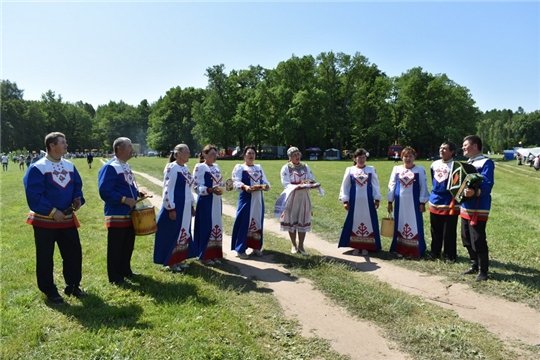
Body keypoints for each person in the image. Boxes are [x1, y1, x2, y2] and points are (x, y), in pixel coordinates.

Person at [23, 132, 86, 303]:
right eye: (62, 142)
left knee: (73, 253)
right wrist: (51, 211)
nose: (66, 145)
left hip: (66, 220)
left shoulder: (70, 166)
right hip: (45, 222)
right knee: (45, 257)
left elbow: (77, 186)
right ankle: (49, 290)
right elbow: (34, 195)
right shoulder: (38, 168)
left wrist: (77, 198)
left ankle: (73, 285)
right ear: (52, 145)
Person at [98, 137, 144, 285]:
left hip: (129, 213)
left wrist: (137, 193)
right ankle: (115, 277)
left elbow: (126, 185)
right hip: (117, 213)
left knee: (127, 244)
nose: (133, 149)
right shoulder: (111, 167)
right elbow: (105, 191)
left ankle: (125, 271)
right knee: (116, 247)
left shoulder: (125, 165)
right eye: (130, 146)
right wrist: (124, 200)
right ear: (119, 149)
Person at [153, 144, 196, 272]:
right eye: (187, 152)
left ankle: (180, 258)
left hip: (186, 206)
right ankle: (171, 262)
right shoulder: (172, 168)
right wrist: (170, 207)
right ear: (178, 154)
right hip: (176, 205)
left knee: (184, 231)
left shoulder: (185, 168)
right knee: (173, 233)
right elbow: (168, 188)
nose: (189, 154)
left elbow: (188, 188)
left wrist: (191, 205)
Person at [460, 135, 495, 281]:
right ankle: (474, 264)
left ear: (475, 146)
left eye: (465, 145)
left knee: (478, 238)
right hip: (465, 206)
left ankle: (483, 270)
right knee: (466, 237)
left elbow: (487, 184)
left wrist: (475, 191)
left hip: (478, 207)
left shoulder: (486, 162)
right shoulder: (467, 163)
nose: (463, 147)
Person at [387, 146, 429, 258]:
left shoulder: (419, 169)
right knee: (400, 223)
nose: (408, 158)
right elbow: (392, 184)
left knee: (415, 224)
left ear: (414, 157)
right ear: (401, 157)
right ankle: (400, 248)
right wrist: (390, 201)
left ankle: (415, 249)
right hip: (400, 203)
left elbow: (423, 186)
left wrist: (422, 202)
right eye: (405, 156)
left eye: (410, 156)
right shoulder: (396, 169)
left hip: (414, 203)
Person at [338, 148, 382, 255]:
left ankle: (366, 246)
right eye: (359, 157)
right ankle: (356, 245)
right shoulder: (350, 170)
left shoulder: (371, 169)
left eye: (363, 157)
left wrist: (377, 198)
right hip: (354, 201)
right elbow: (345, 185)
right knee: (354, 221)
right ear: (355, 158)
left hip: (367, 201)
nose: (361, 160)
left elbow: (375, 185)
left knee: (368, 221)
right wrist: (345, 200)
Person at [279, 146, 321, 256]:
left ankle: (301, 245)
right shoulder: (286, 168)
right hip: (292, 197)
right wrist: (299, 185)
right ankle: (293, 244)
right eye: (294, 155)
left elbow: (311, 178)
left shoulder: (305, 166)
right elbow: (286, 183)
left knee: (303, 219)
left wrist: (312, 183)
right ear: (290, 157)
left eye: (298, 154)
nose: (297, 156)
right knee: (292, 219)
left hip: (304, 197)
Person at [231, 145, 271, 259]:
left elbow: (264, 180)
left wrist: (266, 185)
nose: (251, 155)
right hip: (246, 198)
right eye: (249, 153)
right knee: (244, 222)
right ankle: (240, 248)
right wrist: (245, 187)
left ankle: (256, 246)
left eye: (253, 153)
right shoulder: (239, 167)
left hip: (258, 198)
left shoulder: (258, 167)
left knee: (257, 221)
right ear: (244, 155)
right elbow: (236, 182)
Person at [428, 142, 460, 263]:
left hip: (449, 201)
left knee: (449, 231)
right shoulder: (434, 164)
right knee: (435, 229)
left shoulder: (456, 166)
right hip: (435, 200)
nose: (441, 150)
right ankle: (435, 252)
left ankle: (449, 255)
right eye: (441, 148)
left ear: (452, 151)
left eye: (445, 148)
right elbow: (433, 179)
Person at [193, 144, 224, 265]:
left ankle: (214, 253)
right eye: (211, 154)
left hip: (217, 200)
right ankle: (205, 255)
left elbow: (220, 182)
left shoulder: (216, 167)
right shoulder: (200, 167)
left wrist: (224, 187)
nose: (214, 156)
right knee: (206, 226)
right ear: (204, 155)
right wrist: (209, 190)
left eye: (215, 154)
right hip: (206, 200)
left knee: (216, 225)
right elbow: (196, 186)